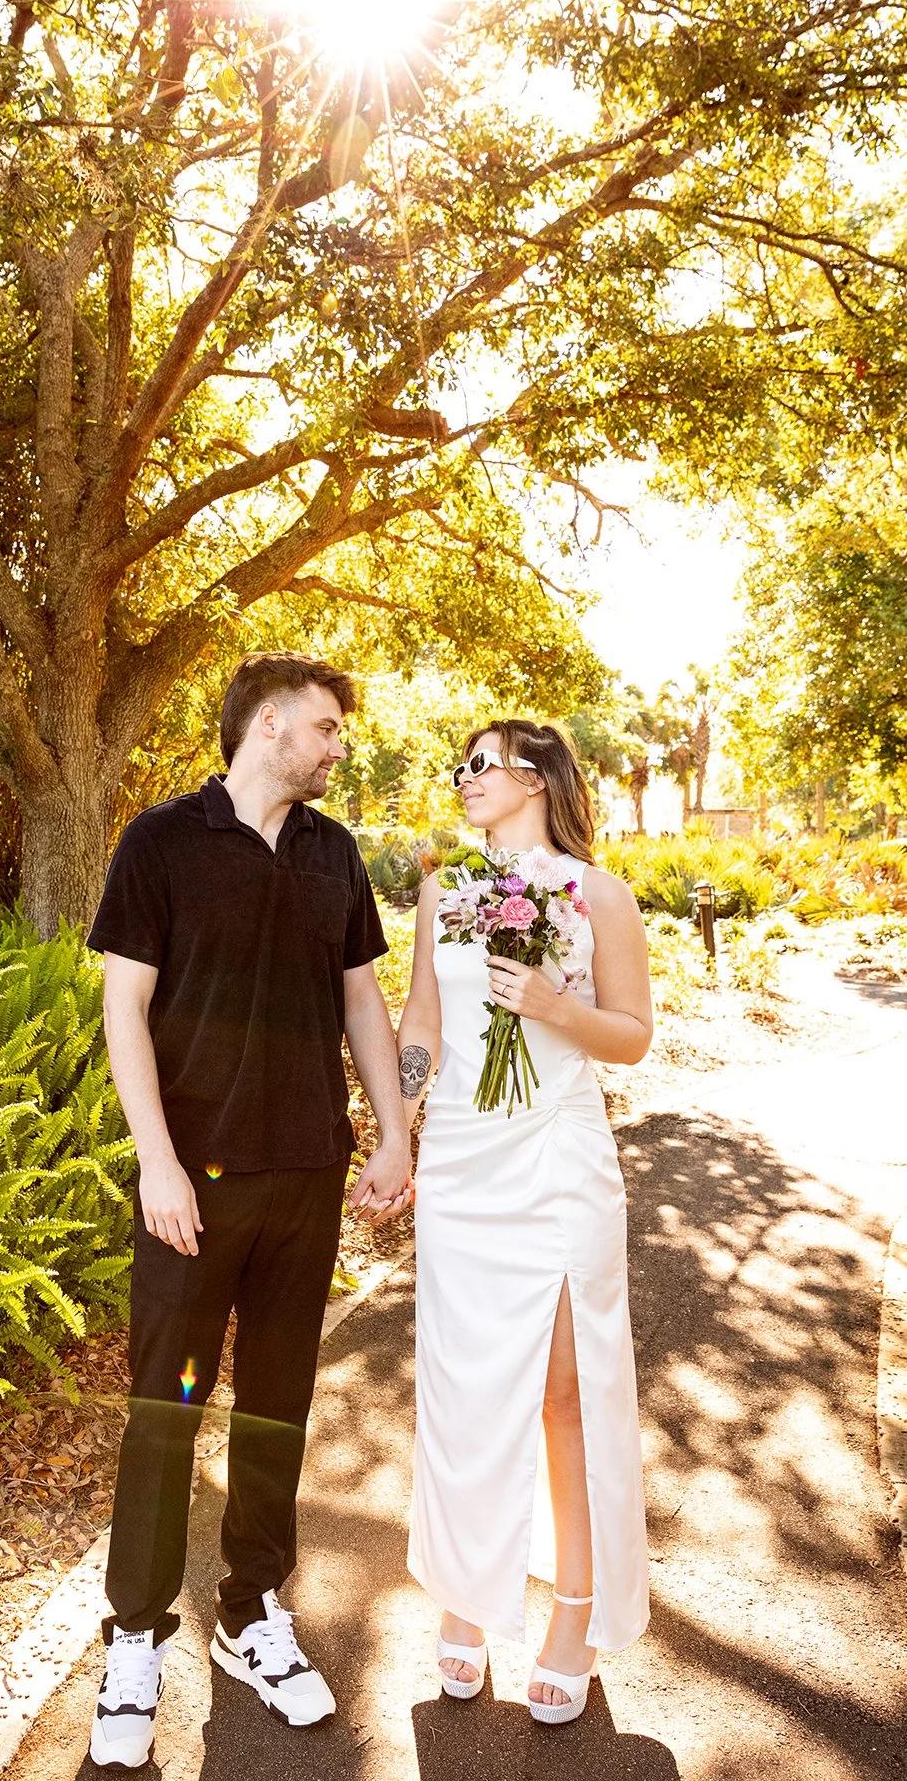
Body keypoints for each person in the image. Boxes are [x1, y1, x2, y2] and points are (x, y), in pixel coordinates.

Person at [85, 652, 411, 1769]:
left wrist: (393, 1132)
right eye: (325, 728)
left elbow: (360, 1000)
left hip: (306, 1176)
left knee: (276, 1404)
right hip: (193, 1186)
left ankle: (250, 1613)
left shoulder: (332, 852)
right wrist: (156, 1162)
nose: (336, 748)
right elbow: (124, 1009)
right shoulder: (160, 841)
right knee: (162, 1412)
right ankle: (135, 1636)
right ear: (267, 724)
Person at [397, 720, 652, 1727]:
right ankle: (464, 1592)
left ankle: (575, 1608)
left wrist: (553, 1005)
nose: (463, 778)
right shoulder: (443, 890)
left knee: (560, 1394)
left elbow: (630, 1034)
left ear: (536, 777)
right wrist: (397, 1127)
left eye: (482, 763)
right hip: (461, 1160)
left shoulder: (598, 894)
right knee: (462, 1386)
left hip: (555, 1157)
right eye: (458, 765)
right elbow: (423, 1018)